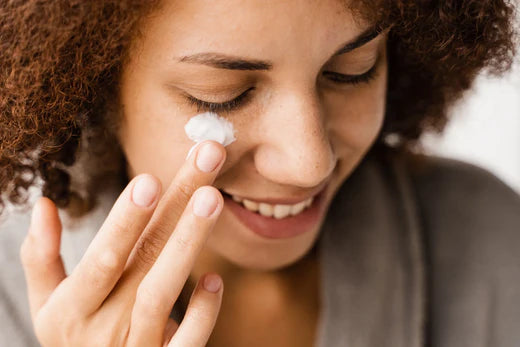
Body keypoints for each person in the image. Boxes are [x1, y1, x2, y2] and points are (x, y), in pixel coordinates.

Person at [0, 1, 519, 346]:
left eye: (352, 70)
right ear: (95, 84)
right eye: (220, 96)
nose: (308, 162)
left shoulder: (491, 247)